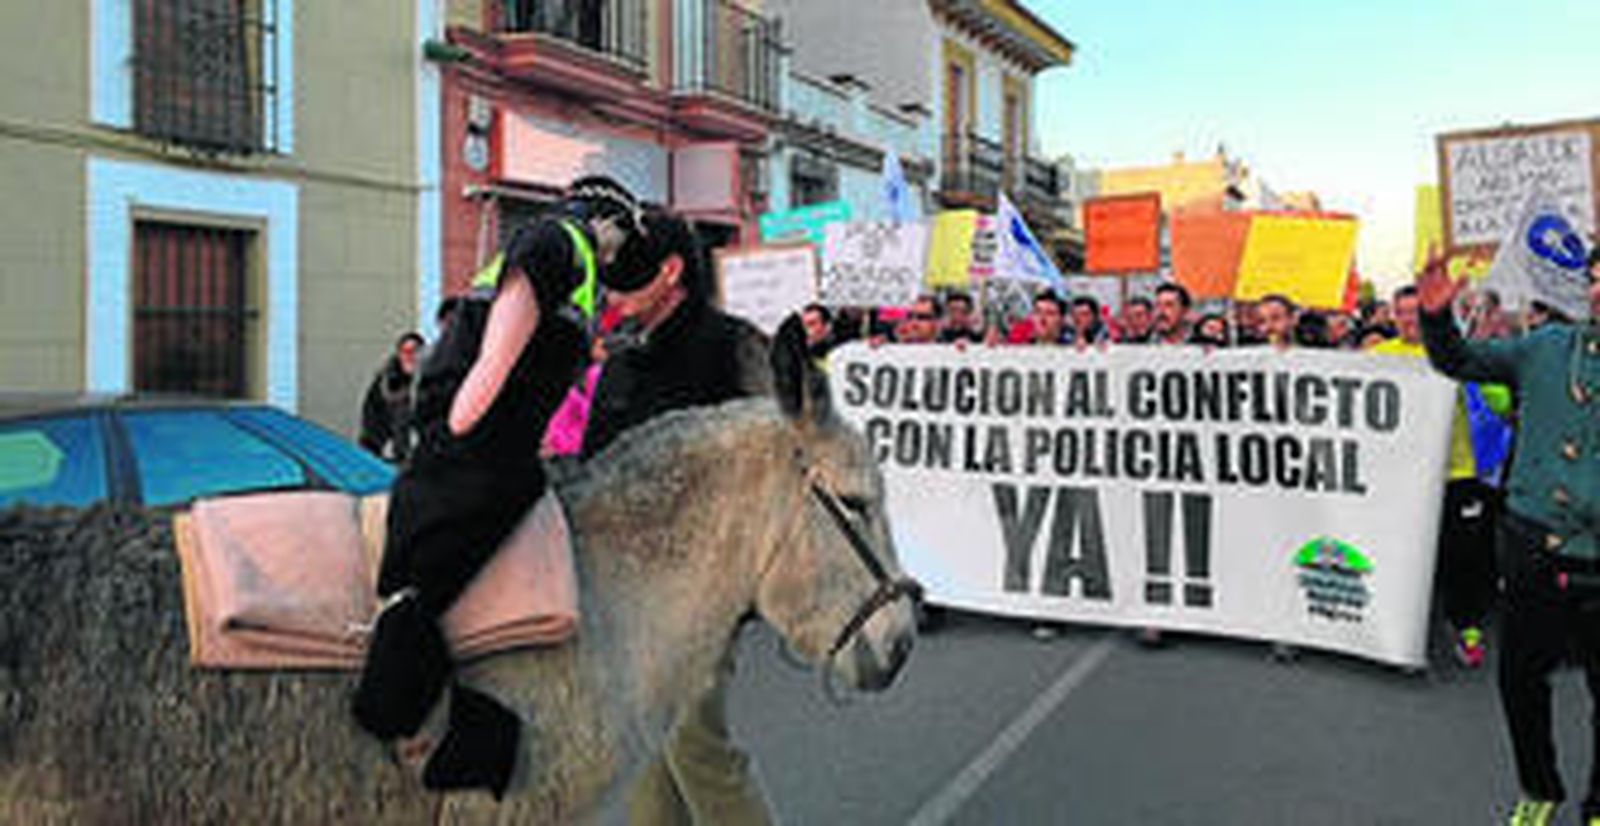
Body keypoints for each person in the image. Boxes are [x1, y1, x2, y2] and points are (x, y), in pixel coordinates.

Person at [351, 175, 641, 798]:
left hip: (494, 451)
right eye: (623, 232)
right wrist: (463, 422)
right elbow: (500, 347)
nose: (623, 250)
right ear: (605, 218)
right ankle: (396, 714)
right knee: (421, 586)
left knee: (446, 585)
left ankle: (453, 732)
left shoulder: (576, 261)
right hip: (474, 449)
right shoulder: (558, 242)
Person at [579, 209, 776, 826]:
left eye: (628, 277)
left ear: (670, 272)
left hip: (704, 593)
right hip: (629, 596)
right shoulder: (621, 360)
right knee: (647, 757)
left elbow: (771, 469)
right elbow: (596, 469)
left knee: (696, 745)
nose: (612, 292)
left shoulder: (735, 347)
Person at [1417, 246, 1600, 826]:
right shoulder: (1548, 346)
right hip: (1532, 547)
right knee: (1521, 680)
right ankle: (1539, 788)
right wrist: (1436, 316)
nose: (1598, 291)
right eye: (1596, 279)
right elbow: (1459, 359)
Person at [1372, 285, 1510, 669]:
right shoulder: (1377, 357)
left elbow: (1501, 404)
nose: (1408, 320)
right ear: (1392, 316)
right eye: (1401, 312)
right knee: (1398, 553)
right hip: (1398, 477)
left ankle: (1466, 626)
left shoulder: (1459, 355)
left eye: (1416, 312)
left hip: (1456, 472)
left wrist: (1482, 380)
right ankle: (1393, 632)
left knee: (1460, 556)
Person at [359, 331, 424, 464]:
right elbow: (371, 417)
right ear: (399, 354)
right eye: (406, 351)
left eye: (416, 351)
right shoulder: (384, 382)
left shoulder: (432, 378)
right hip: (387, 448)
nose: (410, 356)